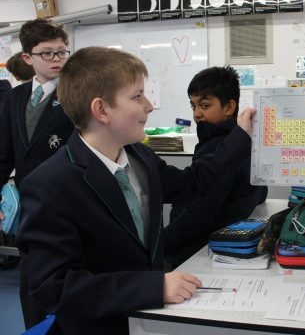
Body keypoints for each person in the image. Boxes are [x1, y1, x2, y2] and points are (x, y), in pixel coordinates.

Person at [15, 47, 256, 334]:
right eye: (137, 96)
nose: (149, 106)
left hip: (149, 321)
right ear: (101, 110)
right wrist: (153, 287)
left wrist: (241, 135)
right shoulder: (50, 185)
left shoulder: (140, 158)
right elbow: (54, 289)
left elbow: (193, 183)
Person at [0, 18, 74, 329]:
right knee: (31, 285)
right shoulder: (16, 97)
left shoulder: (75, 94)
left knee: (67, 284)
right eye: (47, 53)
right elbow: (4, 153)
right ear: (28, 58)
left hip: (67, 205)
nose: (57, 59)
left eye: (62, 51)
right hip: (29, 208)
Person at [164, 66, 267, 268]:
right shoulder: (244, 141)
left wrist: (158, 245)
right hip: (221, 244)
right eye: (193, 106)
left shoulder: (218, 148)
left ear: (229, 107)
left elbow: (197, 217)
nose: (197, 114)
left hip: (196, 250)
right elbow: (260, 192)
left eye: (204, 105)